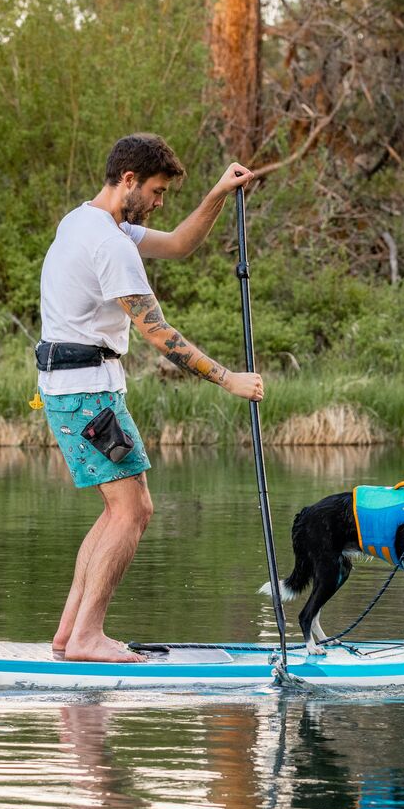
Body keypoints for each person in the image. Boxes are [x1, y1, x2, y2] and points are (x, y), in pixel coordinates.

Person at [37, 133, 265, 662]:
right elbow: (158, 333)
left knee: (120, 509)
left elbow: (180, 245)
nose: (161, 203)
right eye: (158, 192)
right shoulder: (110, 244)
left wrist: (218, 194)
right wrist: (228, 378)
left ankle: (71, 632)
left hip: (78, 387)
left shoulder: (85, 221)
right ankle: (88, 637)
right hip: (86, 391)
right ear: (129, 180)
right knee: (133, 509)